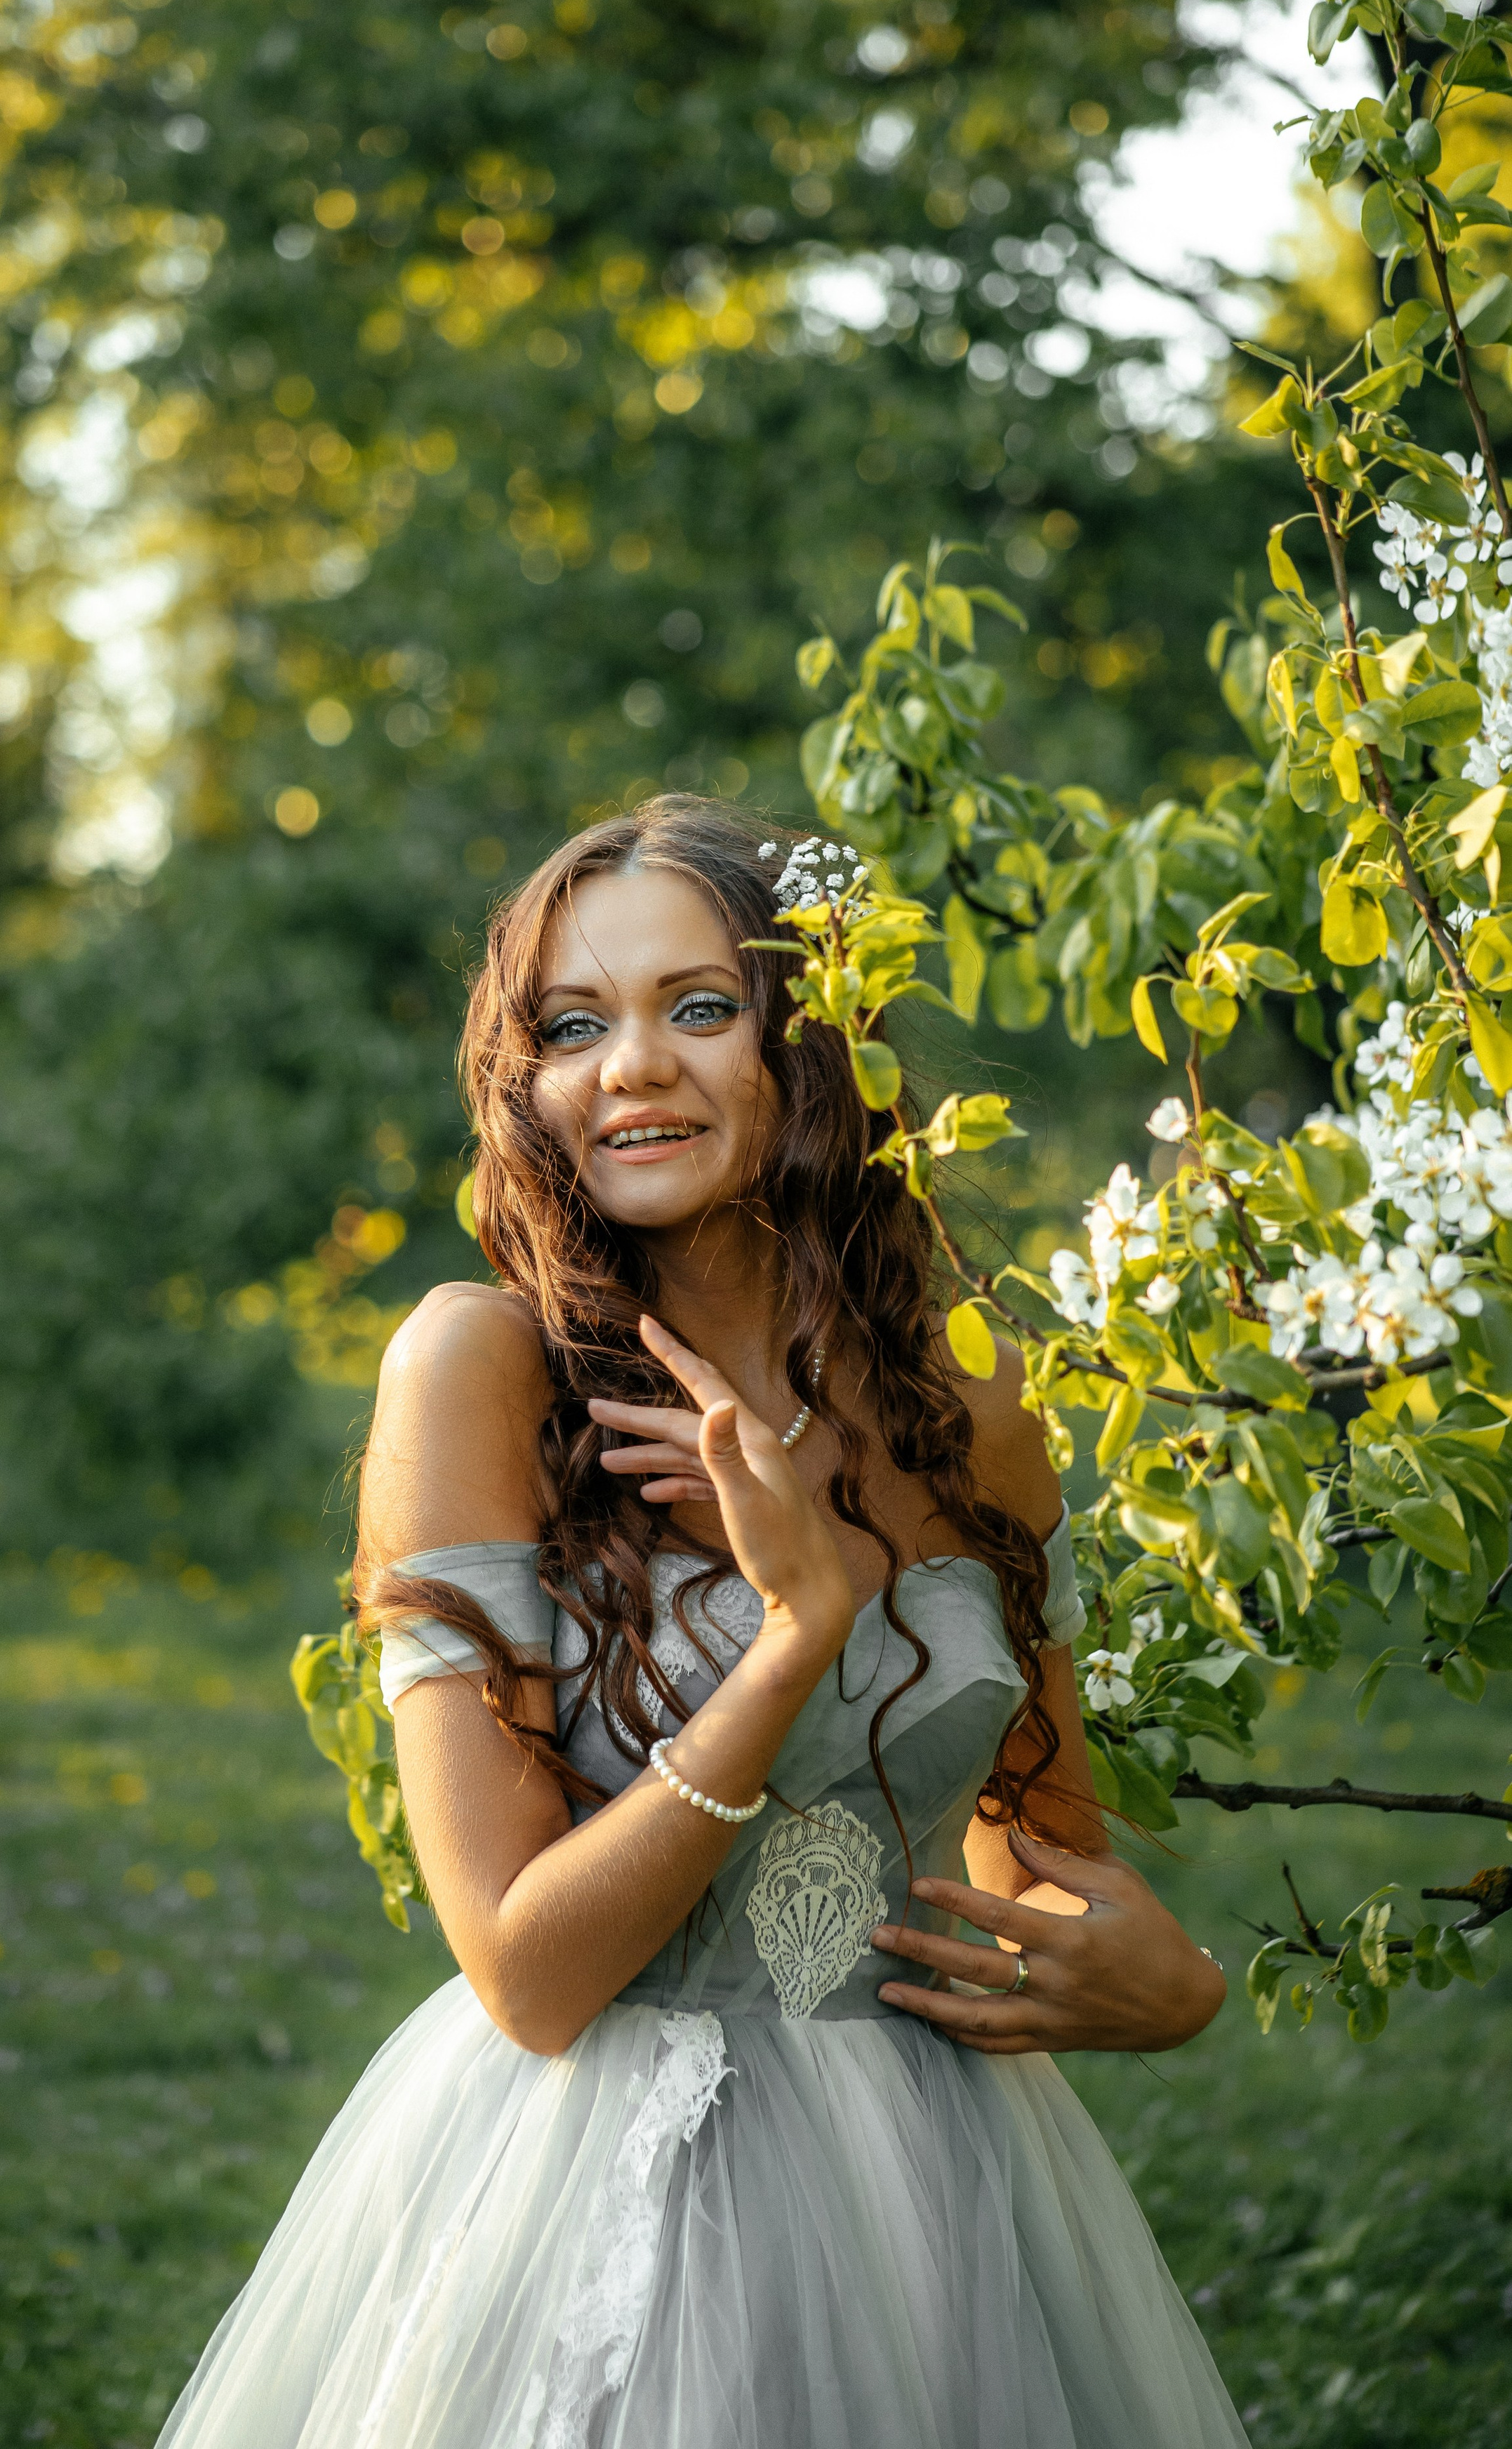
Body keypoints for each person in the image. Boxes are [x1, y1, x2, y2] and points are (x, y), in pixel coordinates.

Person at [156, 797, 1247, 2449]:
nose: (629, 1069)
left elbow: (1033, 1853)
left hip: (934, 2180)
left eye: (700, 1008)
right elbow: (528, 1974)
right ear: (521, 1084)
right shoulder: (481, 1372)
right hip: (589, 2170)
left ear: (810, 1045)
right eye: (573, 1027)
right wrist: (794, 1629)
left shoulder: (970, 1400)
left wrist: (1168, 1984)